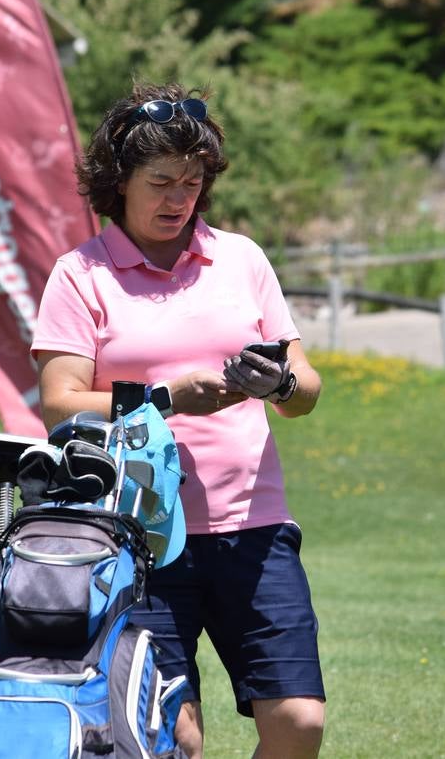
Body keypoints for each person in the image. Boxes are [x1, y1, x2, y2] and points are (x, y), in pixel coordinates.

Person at [31, 83, 325, 759]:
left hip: (255, 527)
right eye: (161, 181)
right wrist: (164, 399)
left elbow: (305, 388)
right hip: (136, 536)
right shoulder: (81, 275)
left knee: (299, 722)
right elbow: (60, 400)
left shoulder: (243, 259)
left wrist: (278, 381)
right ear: (119, 183)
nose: (179, 199)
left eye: (192, 182)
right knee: (174, 736)